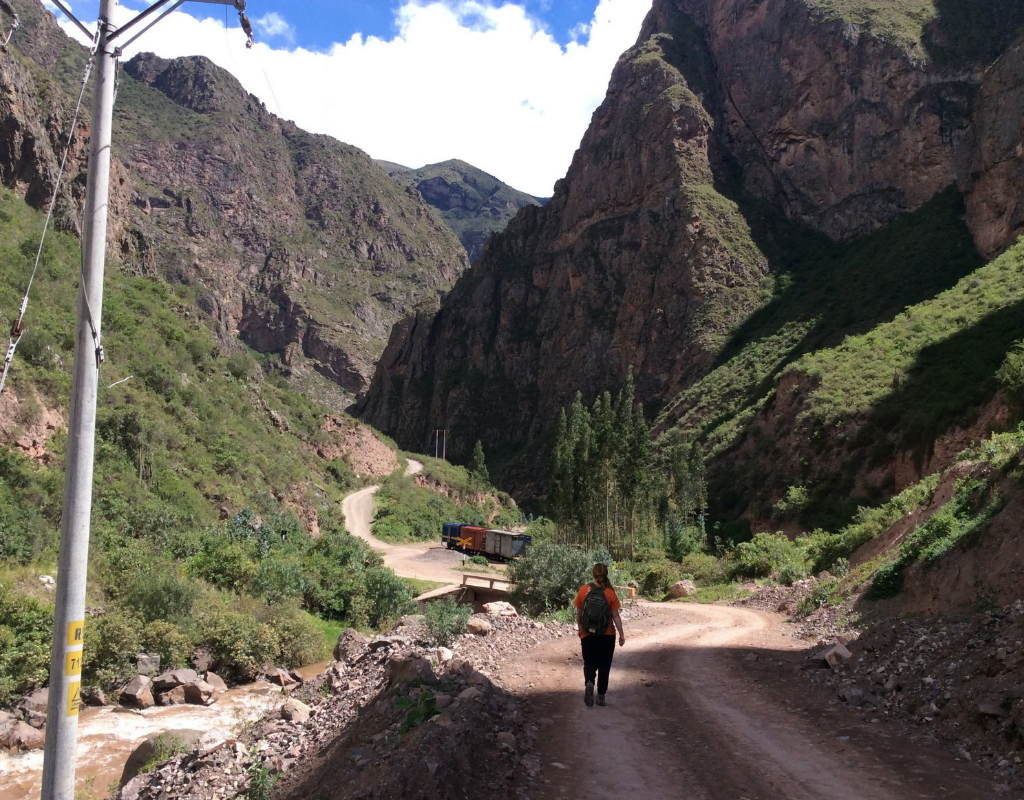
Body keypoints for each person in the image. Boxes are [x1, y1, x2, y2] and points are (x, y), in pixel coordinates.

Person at [573, 563, 625, 707]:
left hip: (587, 633)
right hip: (607, 635)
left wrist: (580, 628)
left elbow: (579, 613)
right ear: (606, 574)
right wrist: (621, 634)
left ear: (593, 574)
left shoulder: (584, 590)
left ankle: (589, 682)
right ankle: (601, 695)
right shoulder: (610, 592)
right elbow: (615, 616)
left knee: (589, 662)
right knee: (604, 665)